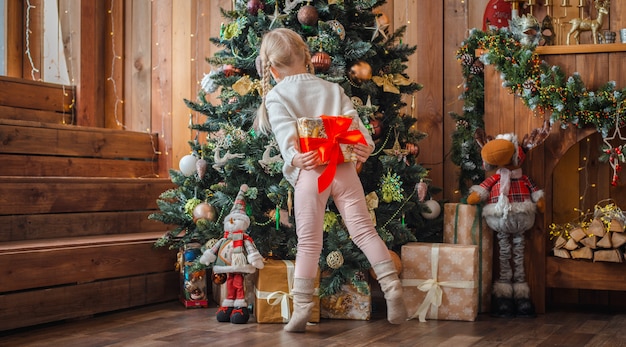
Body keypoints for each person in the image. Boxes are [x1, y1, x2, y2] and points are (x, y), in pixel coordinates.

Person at [255, 28, 406, 333]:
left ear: (271, 68)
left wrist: (295, 158)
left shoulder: (276, 95)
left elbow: (286, 136)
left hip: (311, 173)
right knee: (364, 232)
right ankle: (392, 290)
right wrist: (366, 145)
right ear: (307, 58)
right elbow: (356, 127)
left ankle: (301, 310)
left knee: (309, 244)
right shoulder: (332, 89)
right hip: (343, 170)